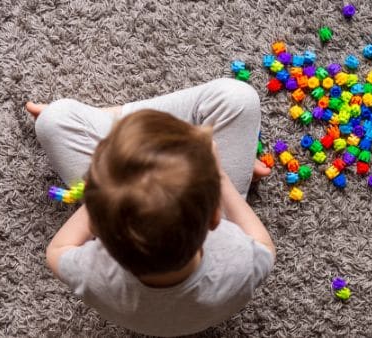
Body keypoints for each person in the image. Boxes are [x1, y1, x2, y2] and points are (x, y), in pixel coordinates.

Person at [27, 78, 275, 337]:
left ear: (96, 228)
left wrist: (101, 190)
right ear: (214, 216)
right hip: (200, 202)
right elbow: (265, 245)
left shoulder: (94, 273)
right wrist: (221, 175)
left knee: (52, 120)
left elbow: (57, 250)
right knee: (239, 97)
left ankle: (118, 125)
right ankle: (142, 135)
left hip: (129, 207)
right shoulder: (237, 263)